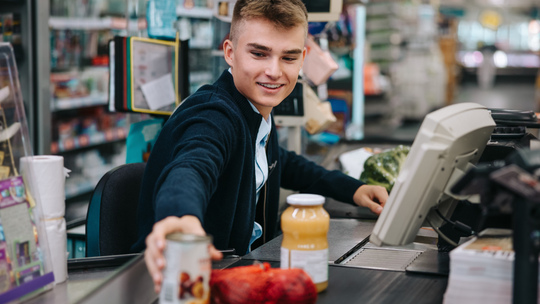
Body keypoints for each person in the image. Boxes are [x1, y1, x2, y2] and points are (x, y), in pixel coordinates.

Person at [132, 0, 389, 292]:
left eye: (289, 58)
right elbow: (191, 166)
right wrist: (180, 218)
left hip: (229, 276)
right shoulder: (214, 115)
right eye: (259, 53)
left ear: (303, 58)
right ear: (230, 52)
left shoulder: (255, 106)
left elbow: (282, 161)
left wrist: (353, 189)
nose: (274, 71)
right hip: (178, 283)